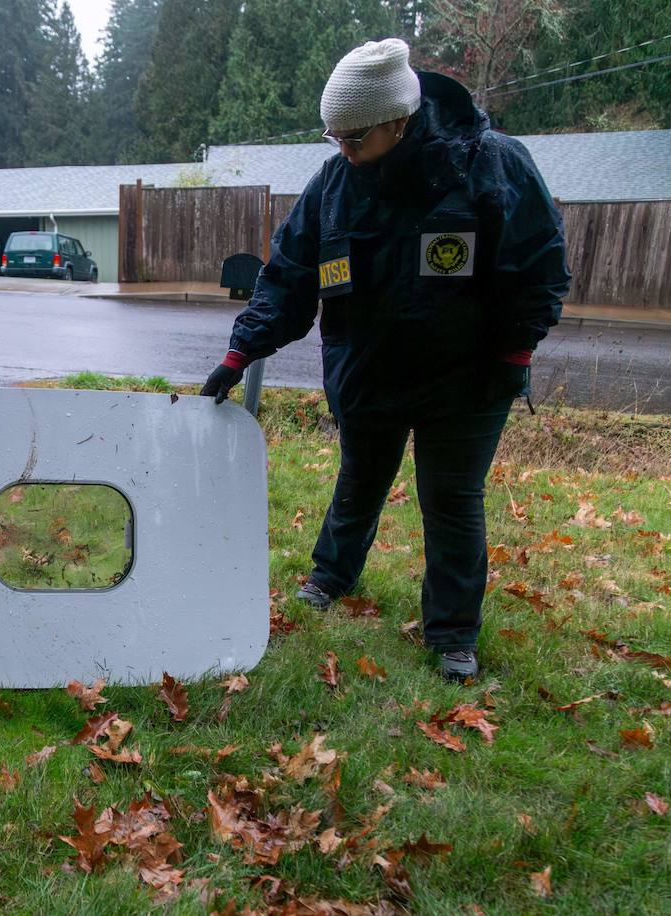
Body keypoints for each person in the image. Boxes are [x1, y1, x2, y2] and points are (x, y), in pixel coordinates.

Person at [201, 39, 569, 681]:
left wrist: (515, 350)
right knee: (359, 480)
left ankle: (452, 633)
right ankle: (330, 576)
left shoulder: (490, 165)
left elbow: (540, 266)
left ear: (397, 121)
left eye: (355, 137)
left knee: (451, 499)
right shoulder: (335, 184)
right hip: (369, 371)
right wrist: (242, 350)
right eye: (333, 136)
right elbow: (289, 274)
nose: (341, 150)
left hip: (467, 377)